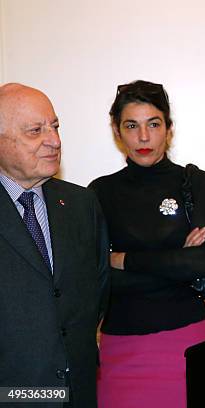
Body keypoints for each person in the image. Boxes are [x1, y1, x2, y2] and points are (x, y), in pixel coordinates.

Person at [89, 80, 205, 408]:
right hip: (120, 349)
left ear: (169, 128)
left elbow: (201, 263)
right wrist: (176, 261)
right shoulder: (98, 193)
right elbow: (98, 278)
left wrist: (125, 260)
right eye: (131, 126)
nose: (143, 138)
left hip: (187, 343)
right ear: (117, 131)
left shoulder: (194, 182)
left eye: (153, 124)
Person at [0, 83, 109, 407]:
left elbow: (98, 292)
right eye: (36, 131)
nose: (54, 141)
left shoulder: (81, 203)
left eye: (55, 126)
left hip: (78, 390)